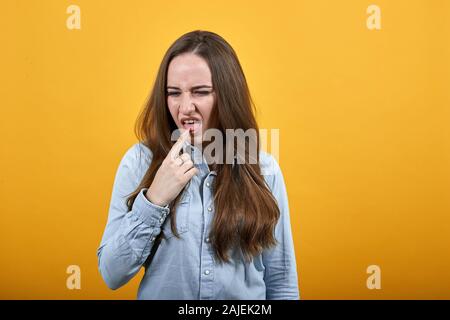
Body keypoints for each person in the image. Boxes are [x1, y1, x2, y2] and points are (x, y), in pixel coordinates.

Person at [97, 30, 299, 300]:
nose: (185, 107)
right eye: (174, 93)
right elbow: (112, 273)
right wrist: (154, 199)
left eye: (200, 92)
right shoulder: (138, 162)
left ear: (228, 95)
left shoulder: (263, 168)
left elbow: (282, 282)